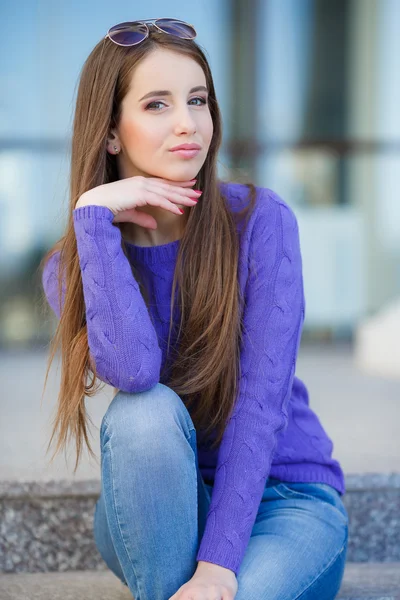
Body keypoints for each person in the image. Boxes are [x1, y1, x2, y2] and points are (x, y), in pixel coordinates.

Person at [40, 18, 349, 600]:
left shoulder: (261, 221)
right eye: (157, 104)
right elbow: (133, 373)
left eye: (198, 100)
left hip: (283, 504)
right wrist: (93, 218)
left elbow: (260, 406)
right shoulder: (76, 263)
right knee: (142, 413)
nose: (189, 124)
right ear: (111, 133)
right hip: (158, 501)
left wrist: (216, 569)